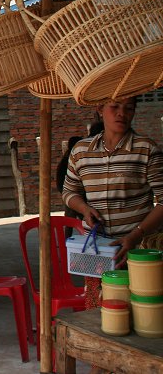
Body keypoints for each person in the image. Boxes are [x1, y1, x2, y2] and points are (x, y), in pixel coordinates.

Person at [61, 97, 163, 309]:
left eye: (129, 108)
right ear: (100, 109)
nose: (121, 114)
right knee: (97, 313)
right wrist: (84, 208)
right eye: (115, 107)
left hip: (137, 252)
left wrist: (136, 235)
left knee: (140, 311)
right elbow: (69, 191)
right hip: (96, 248)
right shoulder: (81, 151)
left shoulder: (146, 149)